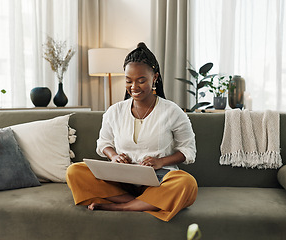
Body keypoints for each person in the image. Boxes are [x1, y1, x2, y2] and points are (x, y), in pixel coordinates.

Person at [66, 42, 197, 222]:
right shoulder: (114, 111)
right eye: (129, 80)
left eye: (141, 80)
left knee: (186, 183)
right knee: (75, 171)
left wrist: (160, 162)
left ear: (155, 77)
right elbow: (104, 144)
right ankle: (143, 204)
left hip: (158, 180)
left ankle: (123, 207)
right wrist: (113, 157)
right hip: (120, 179)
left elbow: (188, 151)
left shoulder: (172, 111)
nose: (134, 86)